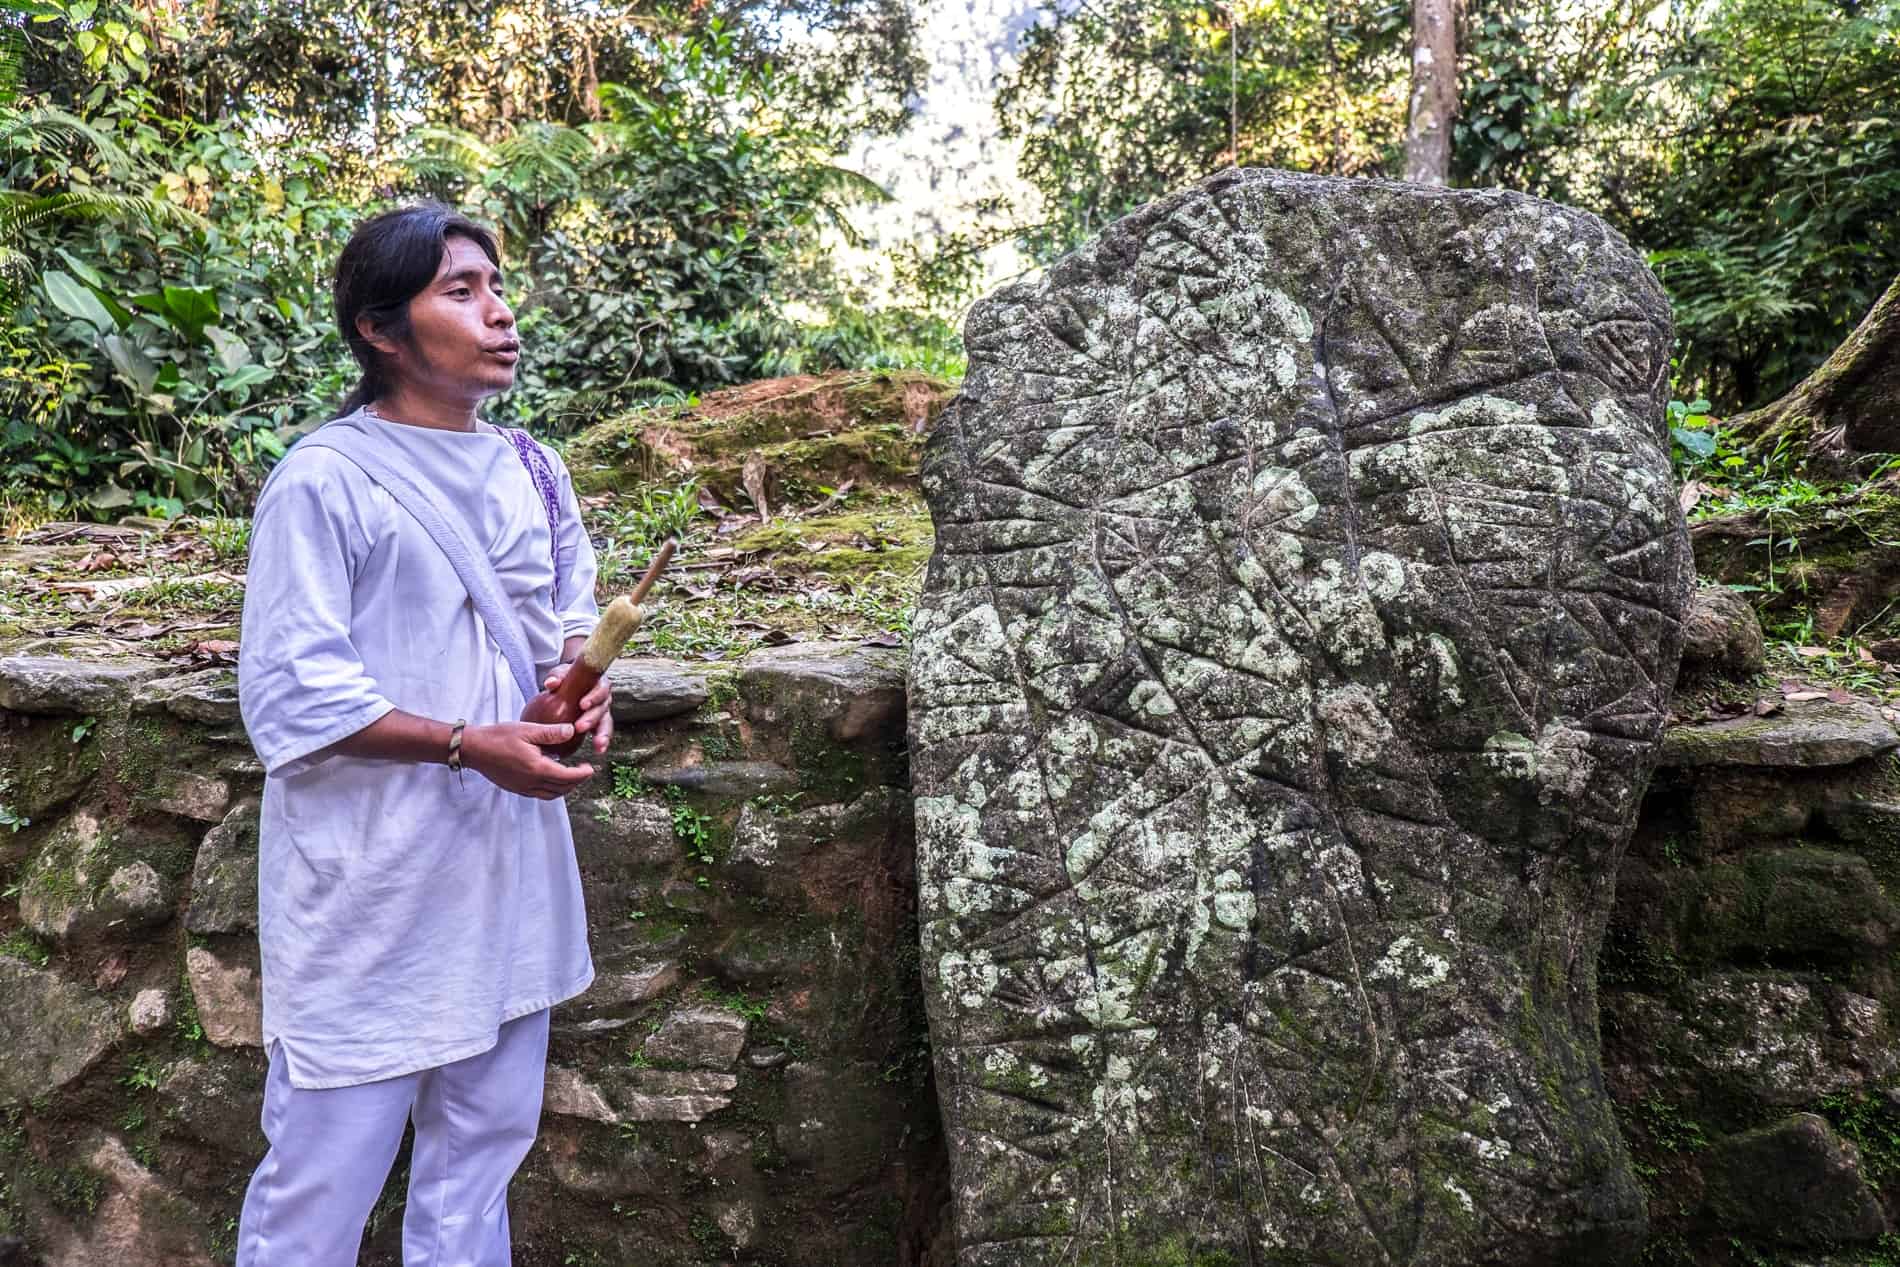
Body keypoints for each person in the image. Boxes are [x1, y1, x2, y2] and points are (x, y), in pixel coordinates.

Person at [234, 202, 611, 1265]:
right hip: (373, 885)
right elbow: (295, 692)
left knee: (480, 1156)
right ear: (382, 330)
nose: (499, 314)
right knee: (323, 1173)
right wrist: (466, 743)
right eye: (462, 291)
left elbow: (560, 616)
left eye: (496, 287)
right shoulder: (325, 481)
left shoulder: (533, 468)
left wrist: (578, 691)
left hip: (503, 878)